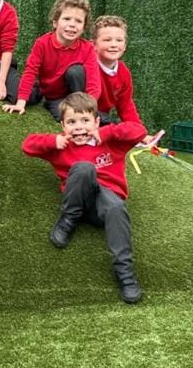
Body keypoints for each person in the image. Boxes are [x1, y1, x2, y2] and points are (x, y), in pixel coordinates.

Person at [21, 92, 147, 304]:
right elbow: (27, 145)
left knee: (116, 206)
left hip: (106, 206)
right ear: (63, 126)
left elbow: (139, 131)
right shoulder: (62, 145)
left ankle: (125, 274)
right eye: (71, 122)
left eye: (85, 121)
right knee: (84, 168)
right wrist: (53, 141)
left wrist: (106, 133)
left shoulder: (110, 141)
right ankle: (68, 219)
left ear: (96, 122)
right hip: (79, 201)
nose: (79, 127)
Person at [3, 0, 100, 122]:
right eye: (67, 19)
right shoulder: (42, 43)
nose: (72, 24)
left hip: (78, 96)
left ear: (83, 28)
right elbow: (30, 72)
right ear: (55, 22)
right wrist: (20, 103)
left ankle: (91, 114)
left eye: (78, 21)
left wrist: (89, 110)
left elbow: (94, 83)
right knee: (66, 117)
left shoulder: (87, 48)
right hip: (55, 97)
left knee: (76, 72)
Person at [92, 15, 143, 127]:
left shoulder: (124, 72)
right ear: (94, 44)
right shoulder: (88, 65)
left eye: (119, 40)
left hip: (102, 118)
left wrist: (138, 130)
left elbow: (126, 105)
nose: (114, 45)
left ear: (124, 46)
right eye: (107, 40)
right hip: (84, 114)